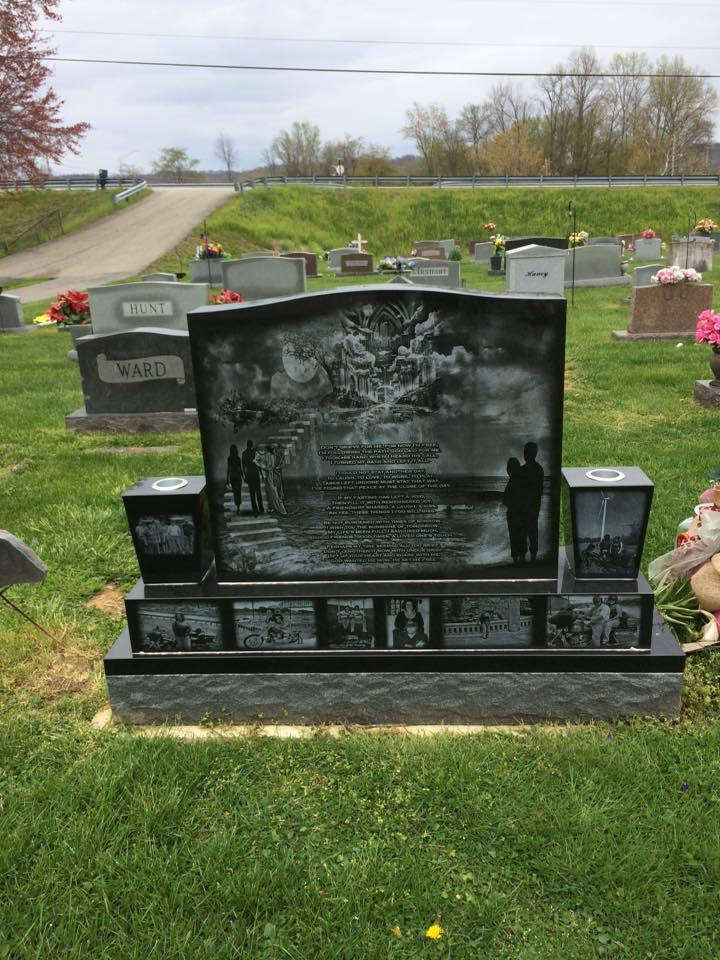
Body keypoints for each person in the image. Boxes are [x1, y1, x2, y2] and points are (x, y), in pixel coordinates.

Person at [518, 441, 544, 563]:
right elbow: (539, 491)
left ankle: (523, 559)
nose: (524, 454)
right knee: (532, 533)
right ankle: (533, 558)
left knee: (523, 533)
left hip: (524, 507)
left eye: (525, 452)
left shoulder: (522, 470)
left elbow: (518, 491)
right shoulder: (539, 469)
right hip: (534, 506)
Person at [257, 445, 287, 516]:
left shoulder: (270, 456)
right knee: (273, 493)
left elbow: (269, 467)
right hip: (270, 477)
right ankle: (277, 509)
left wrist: (259, 464)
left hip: (270, 477)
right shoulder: (272, 456)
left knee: (274, 493)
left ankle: (282, 511)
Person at [241, 440, 264, 517]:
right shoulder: (254, 453)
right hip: (255, 474)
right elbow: (258, 465)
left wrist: (244, 476)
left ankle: (255, 510)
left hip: (249, 475)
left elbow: (243, 466)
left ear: (247, 445)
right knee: (258, 493)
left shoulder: (244, 454)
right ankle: (261, 509)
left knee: (252, 494)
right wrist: (262, 475)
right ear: (251, 445)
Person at [226, 444, 245, 514]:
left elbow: (228, 469)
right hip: (238, 477)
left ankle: (237, 506)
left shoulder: (229, 458)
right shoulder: (238, 458)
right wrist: (243, 477)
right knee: (238, 492)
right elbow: (240, 469)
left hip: (232, 477)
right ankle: (238, 507)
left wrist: (227, 479)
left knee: (235, 492)